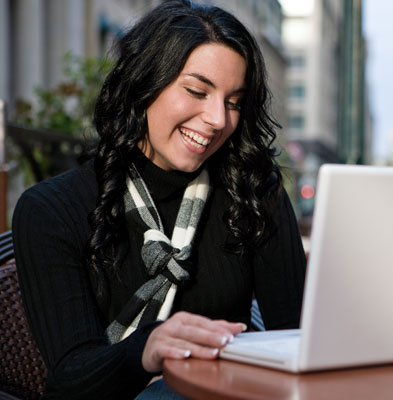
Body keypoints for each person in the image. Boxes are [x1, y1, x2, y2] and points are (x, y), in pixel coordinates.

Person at [12, 1, 306, 399]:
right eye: (197, 91)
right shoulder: (53, 209)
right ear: (145, 85)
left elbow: (298, 337)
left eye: (234, 101)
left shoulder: (252, 193)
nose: (219, 119)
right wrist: (147, 349)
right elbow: (70, 380)